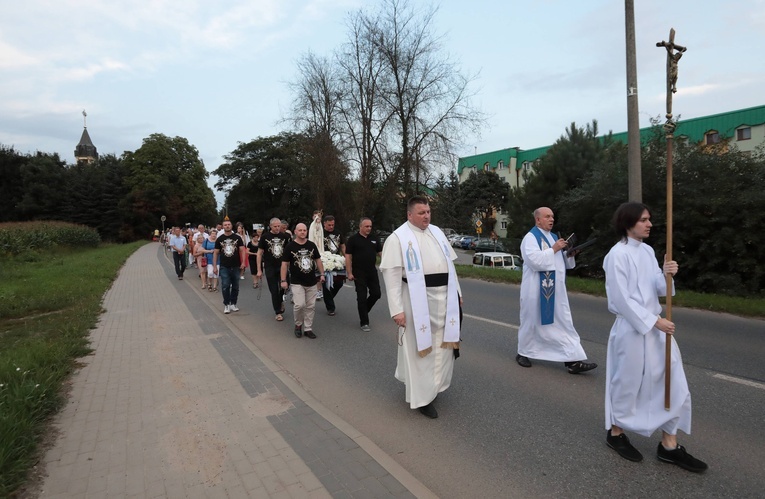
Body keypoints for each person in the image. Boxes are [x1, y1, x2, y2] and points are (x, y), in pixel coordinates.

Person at [603, 202, 706, 472]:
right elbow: (620, 299)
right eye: (644, 220)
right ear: (628, 223)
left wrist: (666, 273)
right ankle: (616, 434)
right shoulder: (617, 255)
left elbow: (660, 291)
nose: (649, 224)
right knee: (628, 383)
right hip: (632, 330)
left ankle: (669, 446)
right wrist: (653, 321)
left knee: (674, 383)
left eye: (650, 219)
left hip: (657, 328)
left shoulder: (648, 251)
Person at [380, 196, 462, 419]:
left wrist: (458, 294)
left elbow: (449, 266)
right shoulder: (398, 238)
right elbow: (392, 276)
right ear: (409, 215)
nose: (426, 216)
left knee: (443, 346)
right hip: (417, 299)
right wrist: (396, 310)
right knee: (419, 348)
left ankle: (435, 385)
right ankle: (423, 397)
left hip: (444, 298)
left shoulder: (437, 232)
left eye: (428, 211)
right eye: (421, 212)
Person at [516, 207, 597, 374]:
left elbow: (561, 264)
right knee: (531, 322)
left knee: (563, 324)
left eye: (552, 216)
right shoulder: (530, 238)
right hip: (536, 291)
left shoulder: (553, 237)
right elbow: (534, 261)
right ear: (538, 220)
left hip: (556, 290)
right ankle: (523, 352)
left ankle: (572, 360)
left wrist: (569, 255)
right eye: (547, 216)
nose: (551, 219)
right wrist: (554, 249)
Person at [281, 223, 326, 339]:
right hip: (297, 282)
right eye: (300, 230)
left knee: (311, 306)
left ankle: (308, 328)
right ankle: (298, 325)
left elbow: (318, 260)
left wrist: (322, 274)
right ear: (295, 232)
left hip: (311, 281)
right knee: (299, 305)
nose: (302, 232)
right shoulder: (290, 246)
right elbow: (284, 264)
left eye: (304, 230)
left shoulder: (311, 245)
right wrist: (283, 280)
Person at [345, 217, 382, 331]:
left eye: (370, 226)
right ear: (360, 227)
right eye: (366, 226)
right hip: (358, 272)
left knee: (376, 294)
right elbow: (348, 256)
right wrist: (349, 272)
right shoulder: (353, 239)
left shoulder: (374, 239)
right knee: (361, 297)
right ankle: (364, 322)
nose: (369, 228)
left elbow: (381, 254)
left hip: (372, 271)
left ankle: (364, 310)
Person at [257, 218, 293, 321]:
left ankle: (280, 300)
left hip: (283, 266)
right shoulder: (265, 237)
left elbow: (289, 252)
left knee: (284, 286)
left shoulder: (285, 237)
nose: (277, 228)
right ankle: (278, 312)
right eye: (275, 226)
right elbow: (259, 253)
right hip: (270, 266)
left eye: (279, 226)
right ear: (270, 226)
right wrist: (259, 270)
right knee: (274, 290)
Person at [213, 219, 246, 314]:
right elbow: (215, 253)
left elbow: (242, 250)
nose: (227, 226)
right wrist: (215, 266)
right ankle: (226, 304)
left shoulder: (237, 237)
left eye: (229, 224)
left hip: (236, 265)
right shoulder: (220, 239)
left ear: (232, 226)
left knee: (235, 286)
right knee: (225, 285)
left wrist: (243, 262)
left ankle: (233, 303)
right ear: (223, 227)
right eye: (225, 225)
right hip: (224, 266)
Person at [320, 215, 346, 315]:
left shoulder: (338, 233)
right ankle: (331, 308)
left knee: (339, 283)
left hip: (337, 260)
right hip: (324, 261)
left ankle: (328, 298)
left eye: (333, 225)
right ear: (324, 224)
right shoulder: (321, 233)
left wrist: (347, 259)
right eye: (329, 225)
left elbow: (343, 246)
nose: (331, 227)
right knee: (326, 284)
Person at [308, 210, 325, 299]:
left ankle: (318, 290)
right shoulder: (312, 226)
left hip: (320, 249)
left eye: (319, 217)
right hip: (313, 248)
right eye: (315, 217)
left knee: (319, 271)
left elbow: (321, 236)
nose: (317, 219)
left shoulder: (321, 227)